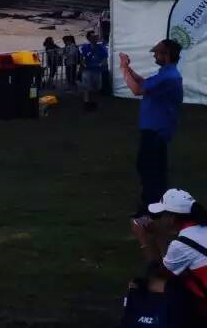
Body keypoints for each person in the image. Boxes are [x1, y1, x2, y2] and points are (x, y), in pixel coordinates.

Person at [121, 38, 184, 216]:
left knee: (150, 168)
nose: (154, 56)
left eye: (157, 53)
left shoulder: (168, 76)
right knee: (151, 166)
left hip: (156, 129)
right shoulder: (166, 73)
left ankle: (152, 207)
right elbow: (144, 83)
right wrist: (130, 70)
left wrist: (124, 68)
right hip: (156, 128)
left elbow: (136, 90)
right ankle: (156, 203)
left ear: (167, 55)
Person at [127, 188, 207, 325]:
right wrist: (159, 235)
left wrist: (143, 240)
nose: (157, 220)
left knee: (152, 285)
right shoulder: (197, 232)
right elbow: (171, 264)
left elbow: (158, 274)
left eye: (160, 216)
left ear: (172, 218)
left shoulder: (182, 245)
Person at [80, 31, 109, 111]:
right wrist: (83, 64)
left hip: (97, 70)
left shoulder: (101, 48)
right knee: (87, 87)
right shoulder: (85, 47)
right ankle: (86, 103)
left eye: (96, 37)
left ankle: (93, 102)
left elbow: (105, 58)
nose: (95, 38)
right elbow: (82, 57)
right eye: (93, 37)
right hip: (87, 70)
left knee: (96, 87)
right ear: (89, 38)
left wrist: (102, 64)